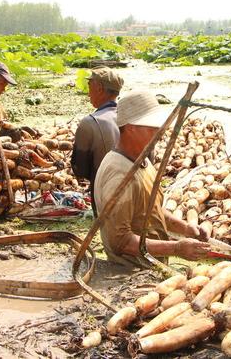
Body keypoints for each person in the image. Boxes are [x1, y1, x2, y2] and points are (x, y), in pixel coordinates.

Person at [94, 90, 211, 267]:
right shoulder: (119, 175)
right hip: (131, 270)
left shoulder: (142, 161)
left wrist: (184, 228)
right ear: (131, 128)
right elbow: (121, 242)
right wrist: (176, 248)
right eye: (152, 128)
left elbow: (149, 209)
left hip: (152, 264)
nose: (159, 132)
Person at [71, 67, 124, 207]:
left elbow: (80, 169)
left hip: (105, 196)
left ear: (99, 88)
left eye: (89, 86)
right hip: (137, 191)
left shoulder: (89, 122)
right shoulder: (133, 119)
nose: (88, 94)